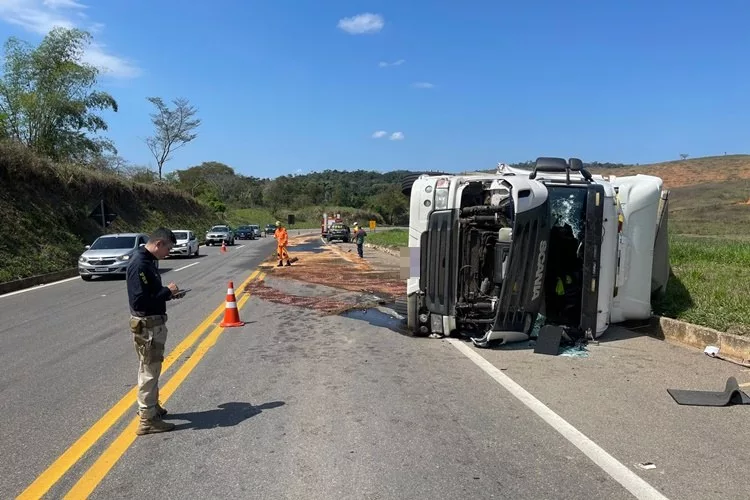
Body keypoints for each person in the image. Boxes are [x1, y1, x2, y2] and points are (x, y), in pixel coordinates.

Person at [126, 228, 182, 435]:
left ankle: (152, 406)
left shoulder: (146, 260)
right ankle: (147, 419)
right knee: (149, 370)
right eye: (167, 248)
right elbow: (140, 299)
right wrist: (167, 291)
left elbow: (150, 293)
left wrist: (166, 295)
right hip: (148, 325)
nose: (168, 253)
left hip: (150, 323)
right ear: (158, 243)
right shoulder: (141, 263)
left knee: (152, 367)